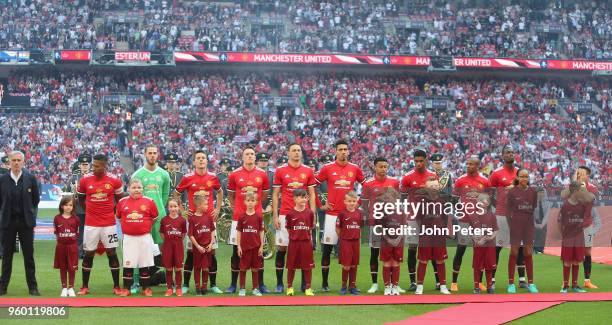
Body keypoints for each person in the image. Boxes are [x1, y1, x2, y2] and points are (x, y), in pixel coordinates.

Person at [315, 139, 365, 291]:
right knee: (327, 249)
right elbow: (313, 185)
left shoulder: (355, 168)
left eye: (345, 149)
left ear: (348, 151)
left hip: (349, 215)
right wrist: (320, 205)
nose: (343, 152)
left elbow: (367, 186)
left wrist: (358, 204)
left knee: (352, 250)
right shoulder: (327, 168)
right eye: (340, 149)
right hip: (331, 214)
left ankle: (350, 285)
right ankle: (324, 284)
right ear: (335, 151)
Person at [174, 150, 223, 294]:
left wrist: (218, 209)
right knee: (191, 252)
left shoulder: (213, 177)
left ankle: (213, 285)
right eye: (198, 158)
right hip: (194, 221)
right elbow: (176, 194)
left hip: (209, 220)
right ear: (194, 162)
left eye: (203, 158)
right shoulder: (187, 178)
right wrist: (182, 210)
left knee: (211, 252)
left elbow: (220, 192)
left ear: (207, 161)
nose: (201, 160)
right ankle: (186, 285)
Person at [76, 154, 125, 295]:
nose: (93, 167)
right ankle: (84, 286)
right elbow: (80, 198)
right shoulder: (85, 180)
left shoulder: (114, 180)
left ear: (104, 166)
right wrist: (90, 211)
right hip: (91, 224)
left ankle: (116, 286)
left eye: (97, 166)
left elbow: (120, 200)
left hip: (109, 224)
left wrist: (111, 212)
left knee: (112, 252)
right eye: (93, 165)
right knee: (88, 253)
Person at [272, 143, 316, 293]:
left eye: (298, 150)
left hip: (304, 215)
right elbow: (275, 194)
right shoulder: (280, 170)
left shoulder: (308, 170)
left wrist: (313, 213)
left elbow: (311, 194)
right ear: (288, 153)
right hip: (285, 213)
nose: (296, 153)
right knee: (282, 248)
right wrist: (275, 215)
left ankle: (305, 284)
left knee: (305, 249)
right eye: (293, 150)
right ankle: (280, 284)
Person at [226, 146, 270, 293]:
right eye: (247, 154)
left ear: (255, 157)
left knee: (259, 251)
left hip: (256, 217)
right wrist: (236, 208)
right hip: (239, 217)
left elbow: (264, 195)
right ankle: (233, 284)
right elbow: (231, 195)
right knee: (236, 251)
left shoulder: (262, 174)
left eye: (252, 154)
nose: (250, 156)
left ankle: (261, 284)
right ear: (242, 157)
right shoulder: (234, 174)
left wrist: (257, 208)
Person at [0, 150, 41, 296]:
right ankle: (3, 287)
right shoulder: (2, 179)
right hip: (8, 222)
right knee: (6, 256)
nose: (16, 163)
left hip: (26, 223)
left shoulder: (30, 178)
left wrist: (27, 212)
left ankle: (33, 287)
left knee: (29, 256)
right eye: (14, 160)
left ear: (23, 162)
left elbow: (35, 200)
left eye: (19, 160)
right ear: (9, 162)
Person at [131, 145, 171, 291]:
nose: (152, 155)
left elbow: (165, 194)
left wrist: (160, 208)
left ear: (158, 155)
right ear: (145, 154)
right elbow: (133, 196)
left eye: (155, 153)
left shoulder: (164, 174)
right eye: (150, 153)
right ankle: (136, 281)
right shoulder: (138, 175)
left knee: (165, 248)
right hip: (143, 219)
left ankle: (169, 279)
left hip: (160, 217)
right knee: (139, 248)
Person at [361, 157, 400, 294]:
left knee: (392, 254)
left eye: (385, 166)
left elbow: (398, 202)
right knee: (375, 252)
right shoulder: (368, 184)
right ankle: (375, 283)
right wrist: (367, 219)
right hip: (376, 224)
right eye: (381, 167)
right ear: (375, 167)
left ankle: (393, 284)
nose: (383, 169)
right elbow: (365, 204)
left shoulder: (394, 182)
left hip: (391, 224)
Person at [451, 155, 490, 292]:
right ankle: (454, 282)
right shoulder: (460, 180)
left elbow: (488, 201)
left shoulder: (484, 181)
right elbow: (454, 200)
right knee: (460, 249)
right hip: (465, 221)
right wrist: (460, 211)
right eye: (467, 164)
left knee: (479, 252)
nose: (468, 166)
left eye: (471, 164)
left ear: (478, 166)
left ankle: (478, 282)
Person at [400, 149, 437, 291]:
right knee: (412, 248)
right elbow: (402, 198)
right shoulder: (407, 177)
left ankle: (439, 281)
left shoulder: (433, 176)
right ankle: (412, 281)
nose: (419, 163)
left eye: (421, 161)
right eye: (416, 161)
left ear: (426, 160)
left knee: (433, 249)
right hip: (413, 218)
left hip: (429, 218)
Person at [116, 178, 159, 297]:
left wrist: (143, 226)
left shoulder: (149, 201)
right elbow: (119, 218)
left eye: (139, 187)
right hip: (129, 238)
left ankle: (146, 288)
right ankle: (126, 288)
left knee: (144, 263)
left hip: (144, 237)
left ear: (143, 189)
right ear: (128, 188)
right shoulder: (122, 202)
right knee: (128, 264)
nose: (137, 190)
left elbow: (154, 218)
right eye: (134, 188)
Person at [488, 145, 522, 289]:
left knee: (519, 247)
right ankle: (492, 279)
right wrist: (499, 206)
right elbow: (489, 194)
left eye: (512, 152)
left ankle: (522, 280)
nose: (510, 154)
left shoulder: (520, 173)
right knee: (498, 247)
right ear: (502, 156)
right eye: (507, 152)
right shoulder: (496, 174)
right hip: (502, 215)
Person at [415, 181, 451, 295]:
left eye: (436, 186)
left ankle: (443, 286)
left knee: (440, 260)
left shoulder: (443, 201)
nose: (434, 188)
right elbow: (418, 218)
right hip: (426, 234)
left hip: (439, 235)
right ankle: (419, 286)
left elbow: (446, 218)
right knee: (423, 260)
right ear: (427, 188)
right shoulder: (421, 201)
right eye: (432, 186)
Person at [506, 169, 538, 293]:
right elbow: (508, 212)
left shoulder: (532, 191)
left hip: (528, 225)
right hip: (516, 224)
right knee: (514, 252)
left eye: (526, 176)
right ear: (518, 178)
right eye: (522, 176)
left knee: (528, 253)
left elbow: (533, 207)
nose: (524, 179)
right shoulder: (512, 192)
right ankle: (511, 283)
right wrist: (511, 225)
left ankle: (531, 283)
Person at [558, 181, 594, 293]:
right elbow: (559, 221)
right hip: (568, 237)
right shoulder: (565, 205)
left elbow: (588, 215)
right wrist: (563, 234)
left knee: (576, 261)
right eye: (579, 190)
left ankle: (574, 285)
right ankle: (565, 286)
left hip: (578, 237)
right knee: (567, 261)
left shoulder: (583, 205)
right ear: (574, 191)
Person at [285, 189, 315, 296]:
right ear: (294, 199)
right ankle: (289, 287)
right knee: (291, 266)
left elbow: (310, 227)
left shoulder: (310, 213)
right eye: (301, 197)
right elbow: (288, 228)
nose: (304, 199)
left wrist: (304, 235)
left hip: (306, 243)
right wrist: (295, 236)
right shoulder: (290, 214)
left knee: (307, 266)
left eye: (305, 197)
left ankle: (308, 288)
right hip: (294, 243)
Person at [236, 192, 264, 297]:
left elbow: (261, 231)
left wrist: (261, 246)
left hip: (256, 247)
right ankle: (242, 288)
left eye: (253, 201)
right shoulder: (241, 217)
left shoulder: (258, 217)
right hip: (244, 247)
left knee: (255, 268)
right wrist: (238, 246)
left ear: (256, 202)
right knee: (243, 268)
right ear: (245, 202)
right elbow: (239, 231)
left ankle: (255, 288)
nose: (250, 203)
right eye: (248, 201)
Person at [63, 153, 91, 259]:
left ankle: (86, 251)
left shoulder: (94, 177)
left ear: (89, 165)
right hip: (77, 208)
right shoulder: (74, 177)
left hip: (90, 209)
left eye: (86, 164)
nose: (84, 166)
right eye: (83, 164)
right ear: (79, 165)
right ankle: (78, 251)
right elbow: (68, 192)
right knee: (78, 231)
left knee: (88, 232)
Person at [188, 193, 216, 296]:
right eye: (206, 204)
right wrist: (198, 246)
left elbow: (212, 231)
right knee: (197, 268)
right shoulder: (192, 219)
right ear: (199, 205)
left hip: (207, 248)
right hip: (198, 249)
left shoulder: (208, 218)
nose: (207, 206)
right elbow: (190, 235)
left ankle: (204, 287)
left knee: (205, 268)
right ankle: (197, 288)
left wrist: (211, 243)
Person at [470, 194, 498, 294]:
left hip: (489, 245)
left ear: (488, 203)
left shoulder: (492, 215)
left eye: (484, 201)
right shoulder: (473, 215)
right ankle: (476, 286)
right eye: (479, 201)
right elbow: (470, 230)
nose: (481, 203)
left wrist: (489, 237)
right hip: (478, 245)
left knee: (489, 266)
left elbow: (495, 230)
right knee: (478, 266)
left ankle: (489, 286)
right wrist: (476, 239)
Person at [336, 191, 362, 295]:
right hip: (345, 241)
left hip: (355, 242)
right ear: (345, 202)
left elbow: (360, 226)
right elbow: (337, 227)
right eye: (349, 201)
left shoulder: (359, 213)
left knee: (354, 265)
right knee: (346, 265)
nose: (352, 203)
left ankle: (352, 286)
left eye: (354, 201)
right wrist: (342, 238)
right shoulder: (342, 214)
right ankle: (343, 286)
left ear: (356, 202)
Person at [160, 198, 187, 297]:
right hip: (167, 247)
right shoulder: (164, 220)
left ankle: (178, 288)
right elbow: (162, 234)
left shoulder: (182, 220)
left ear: (179, 207)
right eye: (171, 206)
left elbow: (183, 234)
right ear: (168, 208)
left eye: (175, 206)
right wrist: (169, 240)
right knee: (169, 268)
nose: (173, 209)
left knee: (178, 268)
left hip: (178, 247)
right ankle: (169, 288)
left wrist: (176, 241)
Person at [54, 195, 79, 297]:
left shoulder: (76, 219)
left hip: (72, 247)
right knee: (63, 267)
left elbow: (77, 233)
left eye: (70, 205)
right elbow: (56, 233)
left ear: (73, 207)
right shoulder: (57, 218)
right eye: (66, 205)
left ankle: (71, 287)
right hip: (61, 247)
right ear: (61, 206)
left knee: (72, 268)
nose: (68, 207)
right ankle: (64, 287)